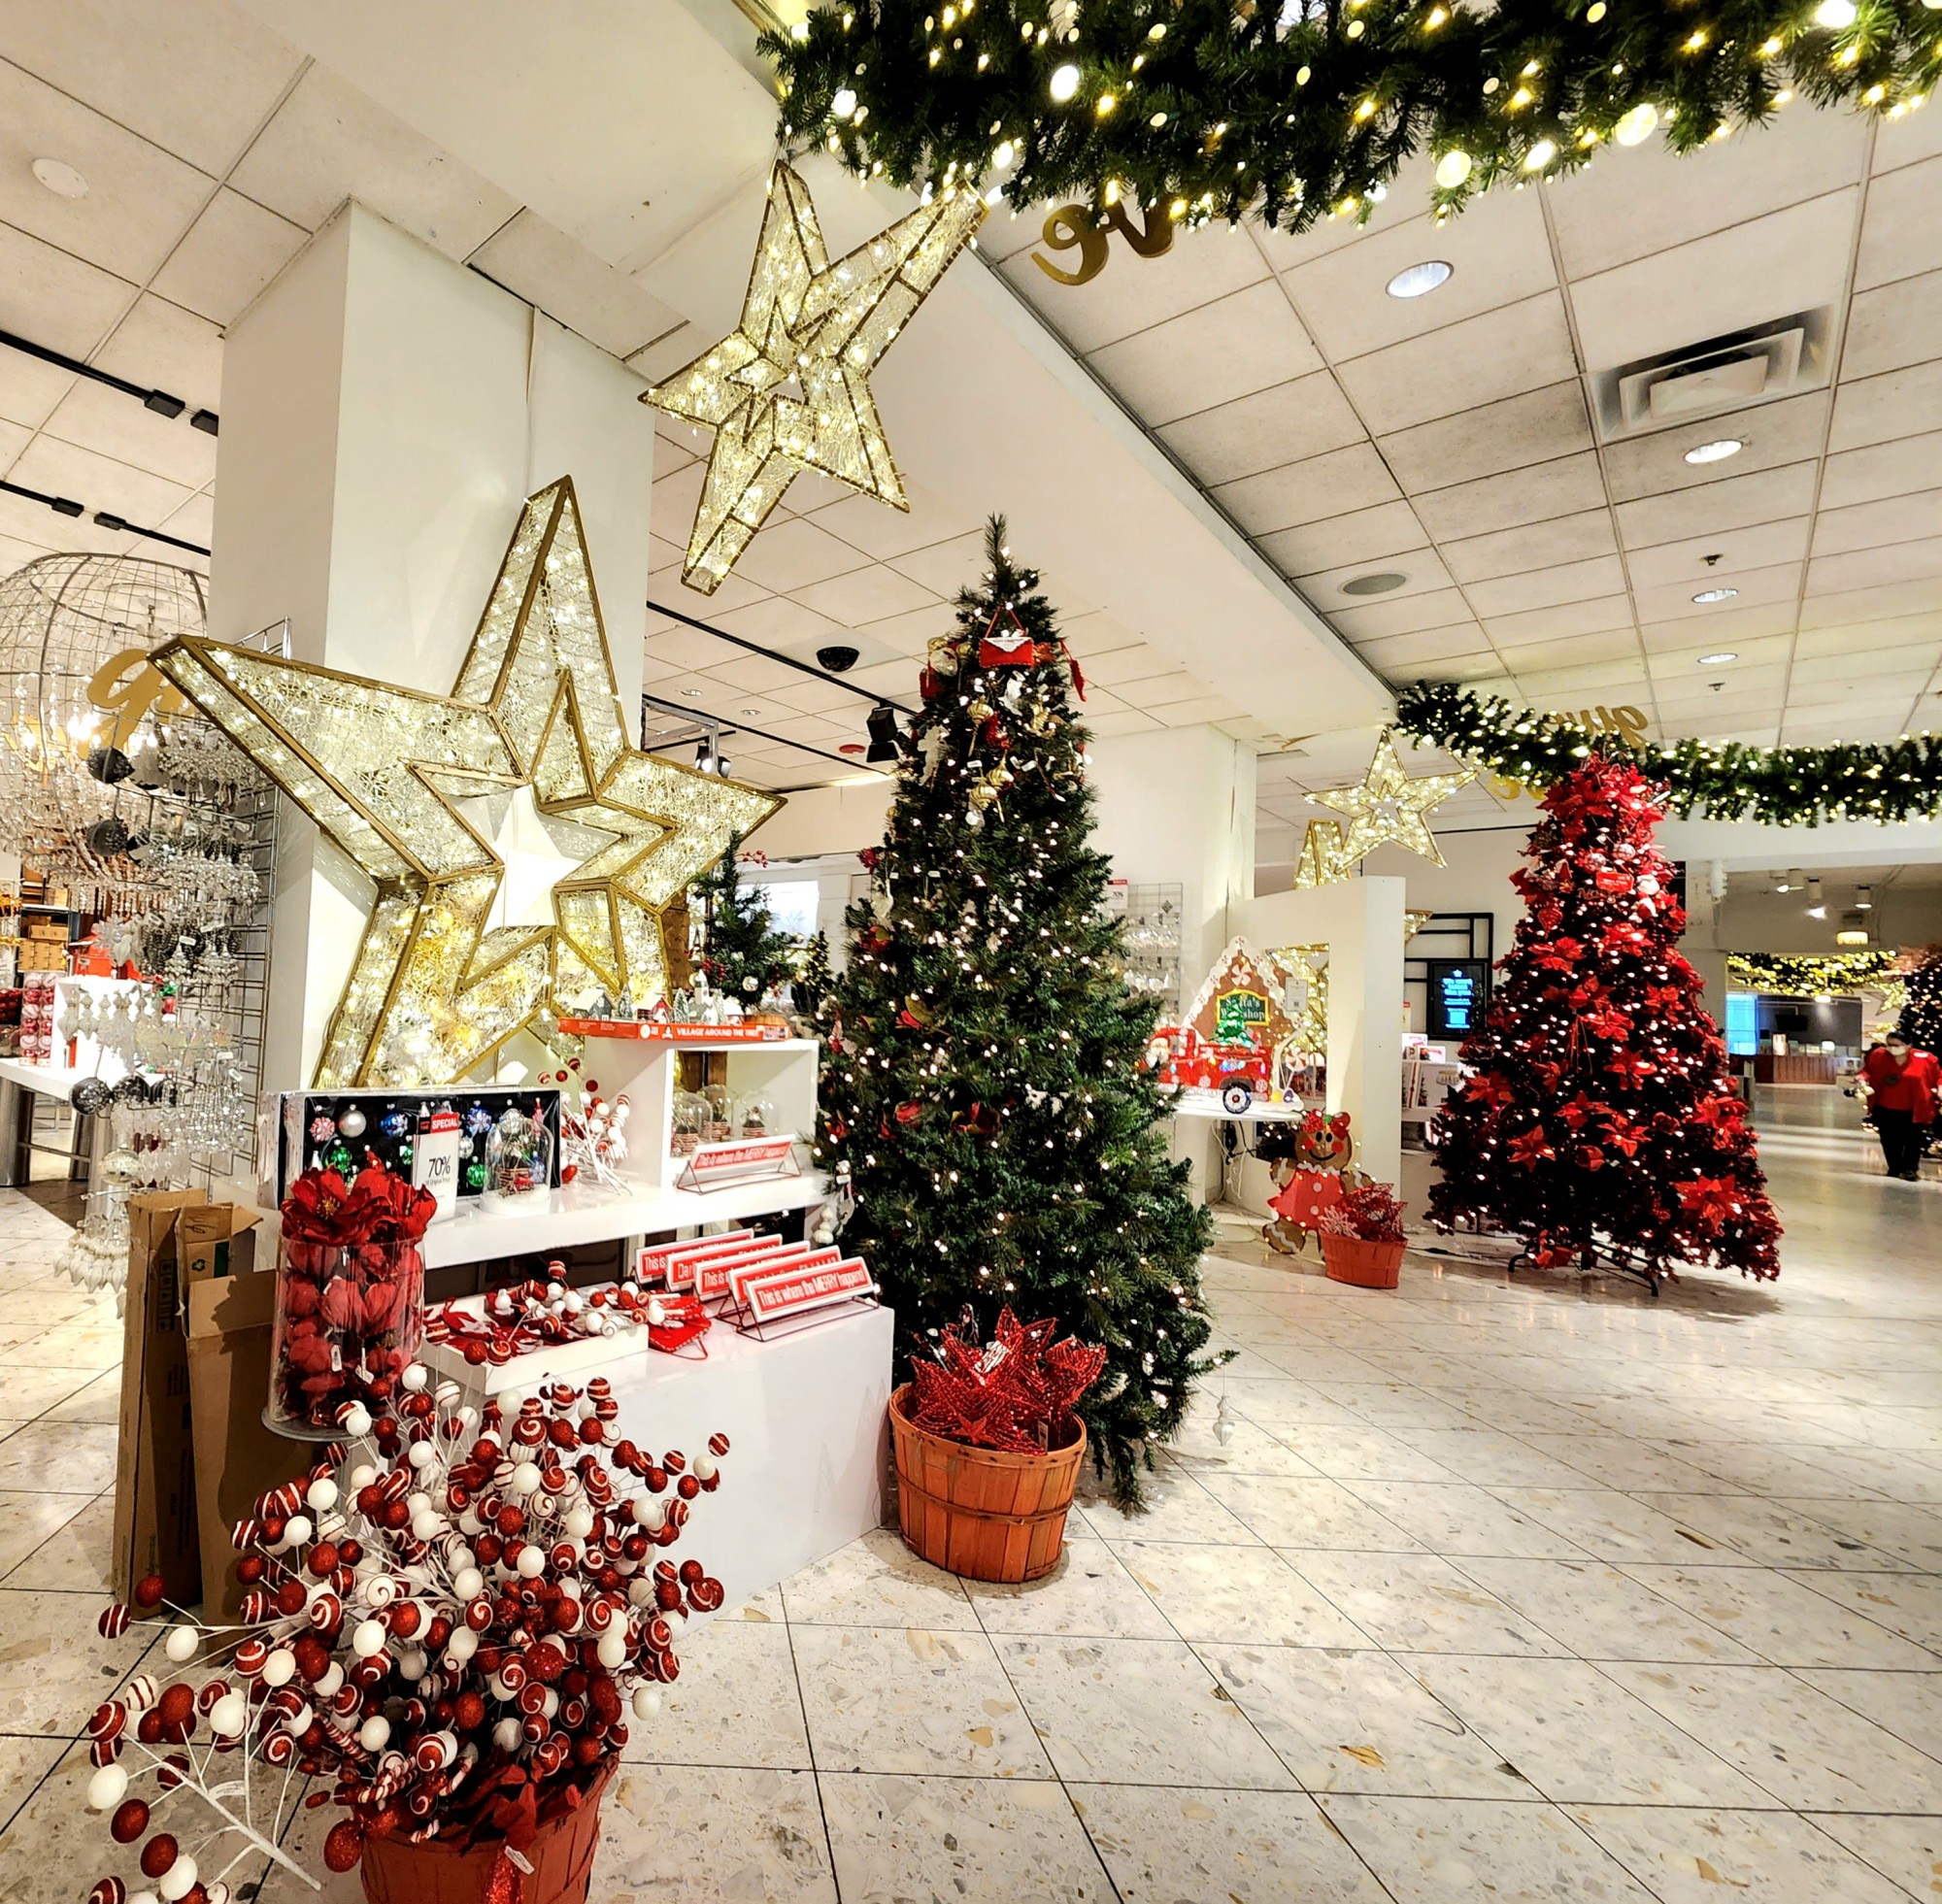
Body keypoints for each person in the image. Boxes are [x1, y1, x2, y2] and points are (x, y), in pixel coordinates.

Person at [1860, 1032, 1940, 1181]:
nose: (1892, 1049)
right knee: (1889, 1140)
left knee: (1913, 1140)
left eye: (1896, 1045)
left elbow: (1939, 1076)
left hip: (1915, 1109)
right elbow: (1867, 1071)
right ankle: (1895, 1167)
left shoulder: (1925, 1059)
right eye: (1889, 1044)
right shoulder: (1879, 1056)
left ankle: (1910, 1169)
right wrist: (1861, 1079)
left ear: (1908, 1045)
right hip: (1885, 1107)